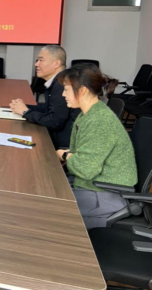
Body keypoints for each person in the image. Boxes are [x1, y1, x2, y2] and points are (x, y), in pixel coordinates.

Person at [55, 64, 137, 229]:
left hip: (105, 194)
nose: (63, 94)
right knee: (49, 191)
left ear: (82, 90)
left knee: (48, 207)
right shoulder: (90, 114)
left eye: (66, 89)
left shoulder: (99, 121)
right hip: (92, 185)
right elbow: (87, 152)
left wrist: (64, 155)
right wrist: (69, 154)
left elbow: (86, 169)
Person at [9, 45, 80, 149]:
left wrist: (25, 112)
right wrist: (24, 107)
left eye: (41, 60)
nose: (36, 64)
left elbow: (54, 121)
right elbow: (49, 108)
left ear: (56, 63)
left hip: (63, 147)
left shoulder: (62, 84)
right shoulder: (60, 80)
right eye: (37, 60)